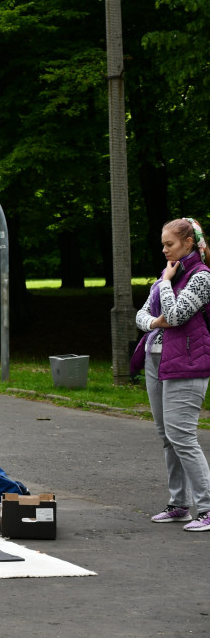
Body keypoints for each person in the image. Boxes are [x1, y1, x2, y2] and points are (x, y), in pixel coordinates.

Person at [135, 217, 210, 531]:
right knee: (168, 438)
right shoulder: (167, 274)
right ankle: (179, 504)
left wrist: (166, 283)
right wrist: (155, 323)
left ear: (188, 243)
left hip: (188, 363)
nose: (164, 250)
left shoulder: (201, 277)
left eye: (170, 244)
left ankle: (206, 508)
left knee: (183, 437)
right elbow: (141, 315)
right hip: (156, 360)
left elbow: (177, 315)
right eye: (163, 244)